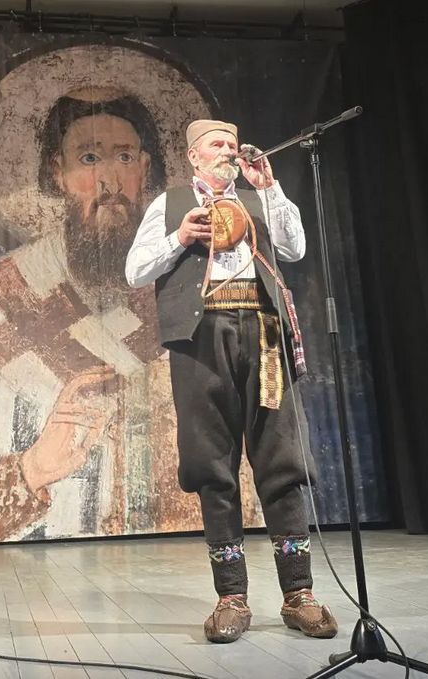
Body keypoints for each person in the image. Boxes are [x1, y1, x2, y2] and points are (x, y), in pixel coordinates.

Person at [0, 86, 264, 549]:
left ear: (145, 169)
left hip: (180, 565)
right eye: (88, 159)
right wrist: (32, 471)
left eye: (124, 157)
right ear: (58, 173)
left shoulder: (189, 287)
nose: (109, 182)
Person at [125, 119, 338, 643]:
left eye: (232, 145)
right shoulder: (170, 204)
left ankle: (299, 594)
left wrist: (271, 188)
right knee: (211, 464)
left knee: (281, 459)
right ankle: (231, 598)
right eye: (216, 145)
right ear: (193, 156)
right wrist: (180, 237)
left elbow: (295, 248)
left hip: (263, 332)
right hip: (202, 336)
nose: (227, 152)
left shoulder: (259, 198)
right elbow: (135, 271)